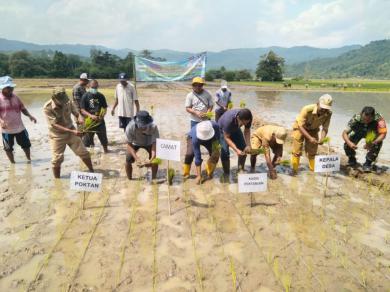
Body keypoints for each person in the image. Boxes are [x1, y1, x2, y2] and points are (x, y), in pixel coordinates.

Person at [43, 87, 93, 178]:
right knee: (57, 159)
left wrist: (80, 119)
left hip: (71, 131)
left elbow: (77, 113)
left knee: (84, 152)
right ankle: (57, 180)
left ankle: (92, 171)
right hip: (57, 135)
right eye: (60, 101)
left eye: (64, 100)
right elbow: (54, 125)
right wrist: (72, 131)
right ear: (54, 98)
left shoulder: (68, 102)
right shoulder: (47, 107)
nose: (63, 102)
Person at [291, 94, 333, 173]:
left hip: (313, 129)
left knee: (312, 151)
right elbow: (300, 126)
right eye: (322, 107)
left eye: (326, 109)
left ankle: (312, 171)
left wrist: (322, 138)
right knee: (297, 150)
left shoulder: (328, 113)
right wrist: (310, 138)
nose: (324, 110)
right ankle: (295, 170)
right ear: (318, 103)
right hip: (300, 128)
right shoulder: (307, 109)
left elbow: (325, 128)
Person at [0, 76, 37, 163]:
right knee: (8, 148)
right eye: (8, 87)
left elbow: (22, 108)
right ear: (2, 88)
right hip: (7, 130)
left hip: (20, 127)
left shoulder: (16, 97)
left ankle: (29, 159)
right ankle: (13, 163)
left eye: (12, 87)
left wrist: (30, 116)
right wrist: (1, 122)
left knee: (26, 145)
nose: (11, 89)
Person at [342, 106, 387, 171]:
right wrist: (350, 143)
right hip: (359, 130)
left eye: (368, 120)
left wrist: (372, 143)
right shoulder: (356, 117)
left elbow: (383, 134)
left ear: (373, 116)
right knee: (347, 143)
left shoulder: (379, 119)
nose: (365, 121)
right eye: (364, 119)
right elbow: (344, 133)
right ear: (361, 114)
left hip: (372, 132)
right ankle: (352, 159)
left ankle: (368, 163)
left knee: (377, 143)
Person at [125, 111, 159, 180]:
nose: (143, 127)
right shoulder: (129, 127)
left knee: (155, 159)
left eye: (145, 125)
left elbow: (155, 144)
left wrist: (151, 159)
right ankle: (129, 178)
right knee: (128, 159)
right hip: (135, 143)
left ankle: (154, 178)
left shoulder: (154, 127)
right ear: (137, 123)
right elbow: (129, 144)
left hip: (149, 143)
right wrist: (137, 158)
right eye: (141, 126)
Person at [218, 108, 252, 176]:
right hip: (222, 130)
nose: (245, 124)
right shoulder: (228, 121)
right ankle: (226, 173)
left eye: (247, 122)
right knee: (225, 152)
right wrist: (236, 150)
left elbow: (247, 130)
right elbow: (227, 138)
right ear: (238, 118)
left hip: (235, 128)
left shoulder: (248, 117)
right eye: (243, 123)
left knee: (243, 148)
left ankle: (240, 170)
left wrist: (248, 145)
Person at [80, 79, 109, 153]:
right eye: (93, 87)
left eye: (95, 88)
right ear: (89, 86)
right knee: (88, 140)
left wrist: (102, 116)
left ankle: (106, 152)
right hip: (90, 121)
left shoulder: (101, 96)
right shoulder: (85, 96)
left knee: (103, 138)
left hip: (100, 121)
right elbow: (82, 110)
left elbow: (105, 108)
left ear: (98, 87)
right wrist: (91, 116)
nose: (94, 89)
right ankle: (91, 154)